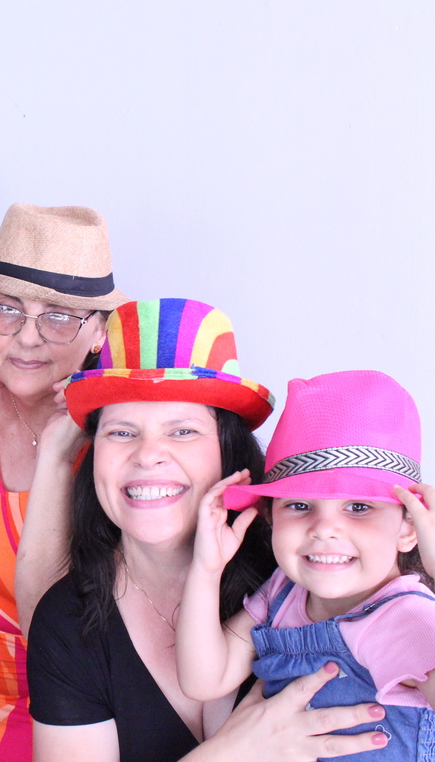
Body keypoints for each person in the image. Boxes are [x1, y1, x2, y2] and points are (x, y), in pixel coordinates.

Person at [26, 299, 395, 761]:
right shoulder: (67, 620)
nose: (148, 455)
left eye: (182, 431)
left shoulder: (307, 572)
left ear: (229, 452)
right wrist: (233, 751)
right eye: (121, 432)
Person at [177, 370, 435, 761]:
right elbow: (205, 680)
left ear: (409, 528)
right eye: (299, 505)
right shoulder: (284, 593)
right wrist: (206, 569)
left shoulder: (403, 620)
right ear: (271, 518)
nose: (324, 528)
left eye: (358, 507)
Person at [0, 203, 122, 762]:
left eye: (58, 316)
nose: (27, 338)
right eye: (7, 309)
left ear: (98, 331)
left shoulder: (124, 440)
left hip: (63, 711)